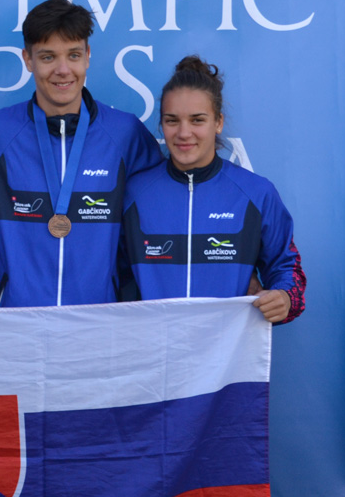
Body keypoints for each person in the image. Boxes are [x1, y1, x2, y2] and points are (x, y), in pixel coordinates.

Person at [0, 0, 162, 307]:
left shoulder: (125, 134)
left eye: (73, 55)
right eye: (47, 57)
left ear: (88, 56)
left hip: (100, 320)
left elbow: (165, 207)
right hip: (15, 321)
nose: (62, 70)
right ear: (28, 59)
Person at [121, 56, 305, 322]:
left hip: (228, 347)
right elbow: (111, 275)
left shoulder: (256, 193)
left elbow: (287, 268)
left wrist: (285, 297)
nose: (184, 133)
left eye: (197, 120)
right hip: (150, 346)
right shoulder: (133, 194)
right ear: (161, 125)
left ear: (218, 122)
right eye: (172, 121)